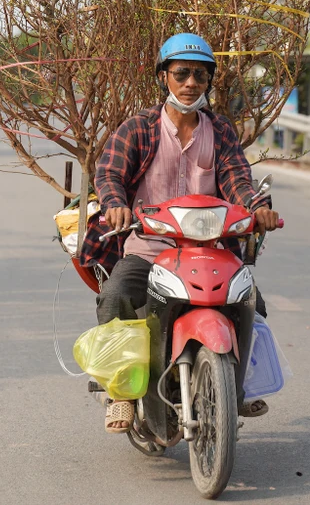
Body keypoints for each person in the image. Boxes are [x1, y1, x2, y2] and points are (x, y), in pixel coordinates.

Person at [80, 33, 280, 433]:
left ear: (208, 82)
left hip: (210, 250)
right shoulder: (139, 128)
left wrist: (258, 209)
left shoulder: (220, 131)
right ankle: (121, 392)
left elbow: (238, 179)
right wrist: (116, 204)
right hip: (150, 248)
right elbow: (110, 173)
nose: (191, 83)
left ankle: (234, 390)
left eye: (200, 76)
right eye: (182, 73)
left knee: (252, 306)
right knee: (115, 297)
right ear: (163, 78)